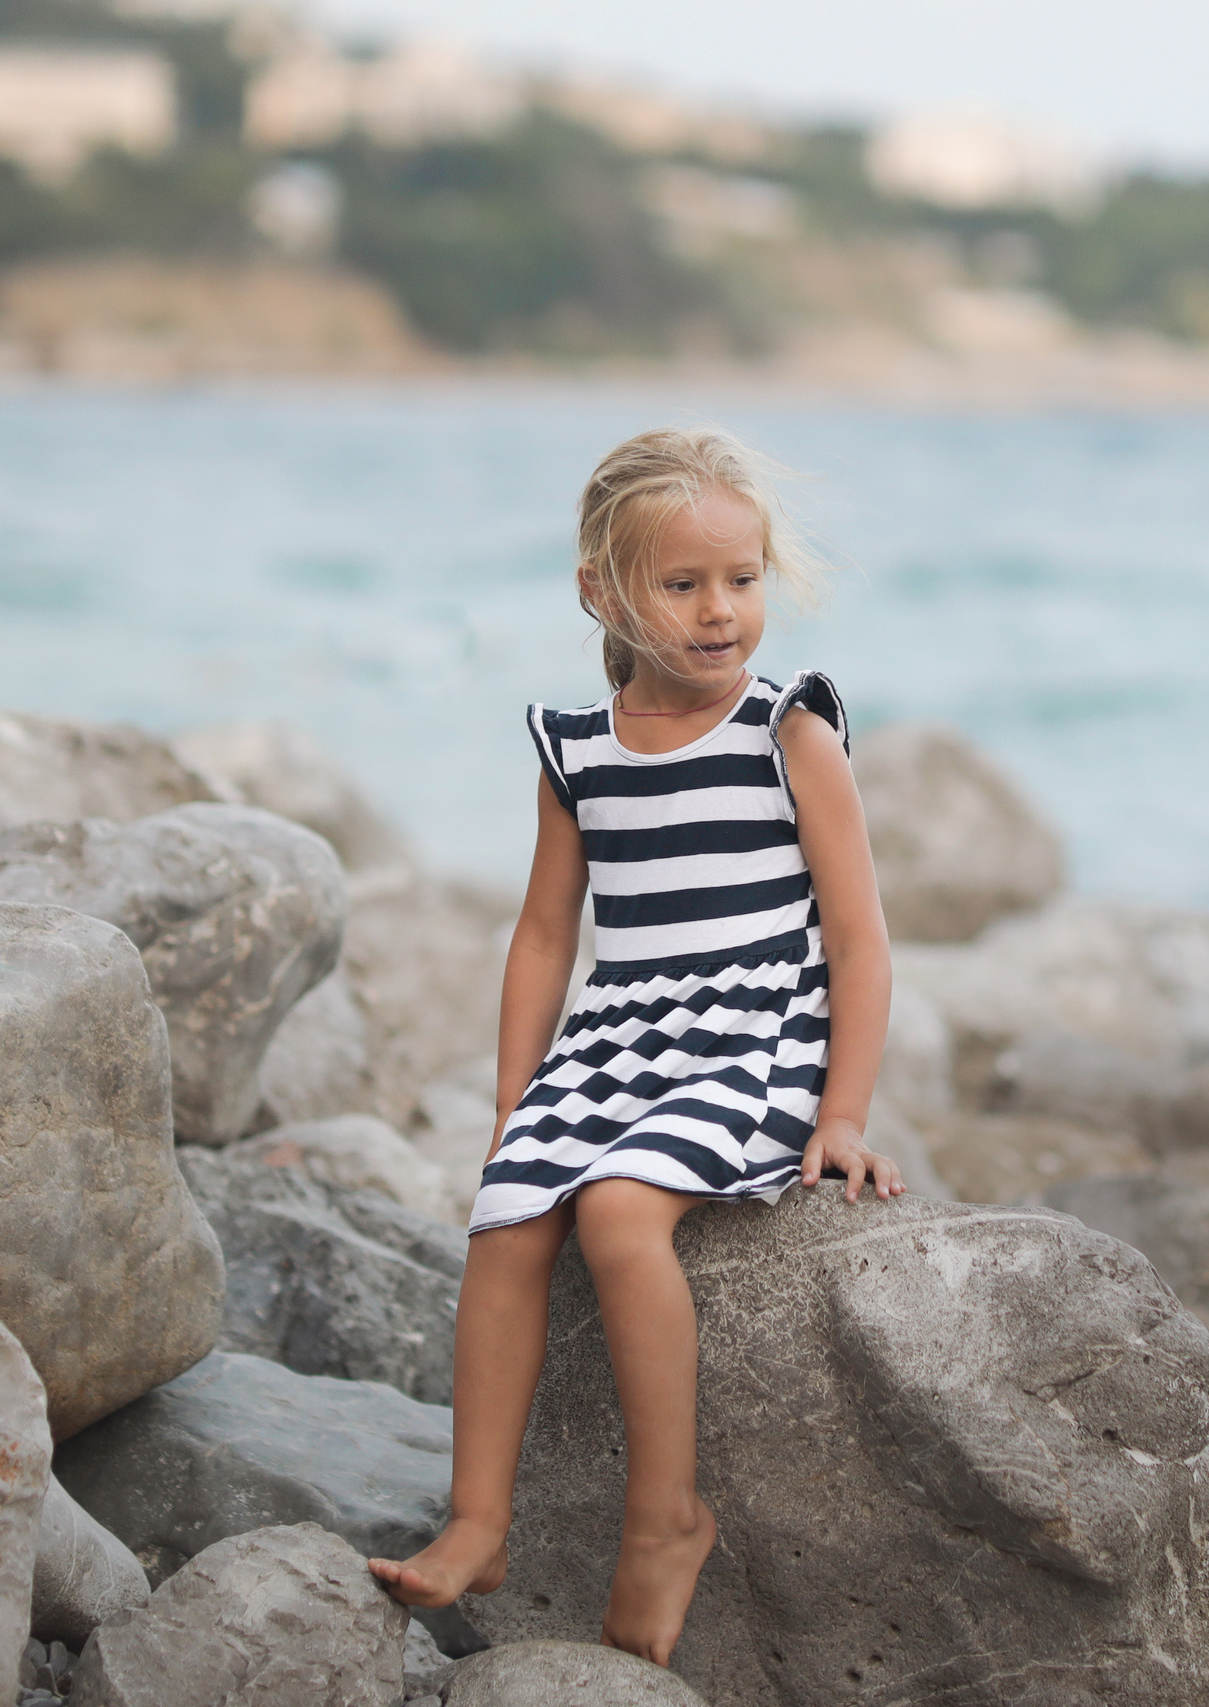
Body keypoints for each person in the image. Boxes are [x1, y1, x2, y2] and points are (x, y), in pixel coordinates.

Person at [368, 427, 903, 1666]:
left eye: (743, 578)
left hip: (757, 1032)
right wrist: (516, 1102)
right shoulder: (581, 745)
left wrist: (841, 1113)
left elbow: (862, 942)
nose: (722, 611)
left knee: (616, 1211)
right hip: (620, 1034)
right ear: (601, 592)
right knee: (508, 1218)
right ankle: (479, 1522)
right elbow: (546, 937)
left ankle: (666, 1518)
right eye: (684, 584)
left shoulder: (788, 733)